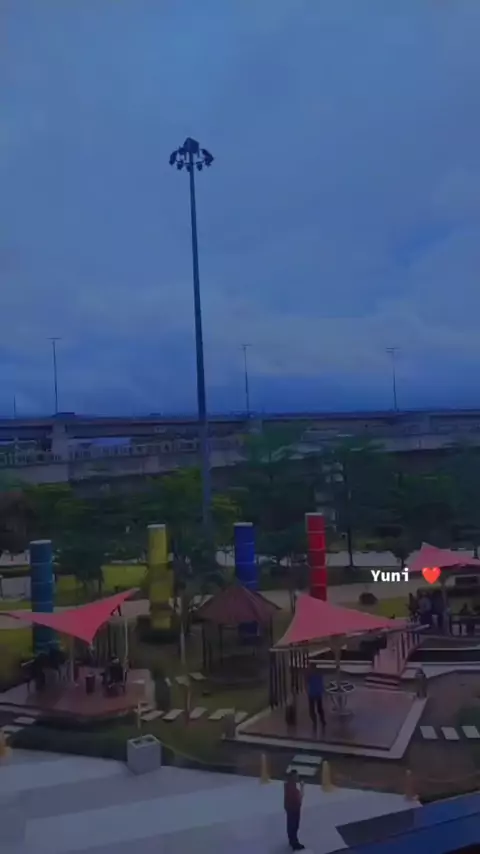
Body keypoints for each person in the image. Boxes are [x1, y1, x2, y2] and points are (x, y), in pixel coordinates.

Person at [284, 770, 305, 851]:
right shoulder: (292, 787)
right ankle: (294, 843)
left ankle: (291, 840)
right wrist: (302, 787)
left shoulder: (288, 785)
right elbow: (299, 797)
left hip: (290, 808)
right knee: (294, 826)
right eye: (296, 776)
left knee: (290, 825)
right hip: (294, 808)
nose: (297, 777)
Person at [306, 662, 326, 732]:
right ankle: (322, 721)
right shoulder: (319, 674)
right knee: (319, 708)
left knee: (312, 709)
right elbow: (321, 683)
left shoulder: (309, 675)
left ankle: (315, 722)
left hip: (312, 693)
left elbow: (307, 682)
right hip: (318, 693)